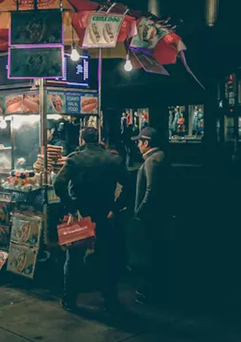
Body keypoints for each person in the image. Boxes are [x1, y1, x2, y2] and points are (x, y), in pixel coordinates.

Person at [54, 127, 128, 313]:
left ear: (81, 140)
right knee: (107, 257)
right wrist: (116, 207)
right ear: (98, 139)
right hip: (104, 214)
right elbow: (130, 184)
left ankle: (69, 299)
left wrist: (71, 207)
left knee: (74, 258)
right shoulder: (113, 159)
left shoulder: (74, 159)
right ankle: (110, 299)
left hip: (81, 214)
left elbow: (58, 183)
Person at [131, 126, 170, 305]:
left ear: (146, 143)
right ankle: (158, 289)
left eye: (139, 142)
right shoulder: (160, 157)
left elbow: (151, 190)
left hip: (153, 217)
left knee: (152, 253)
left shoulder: (152, 161)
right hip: (160, 215)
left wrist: (141, 210)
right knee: (157, 252)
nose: (138, 145)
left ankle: (152, 292)